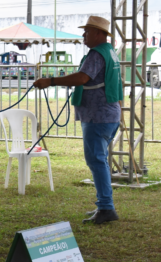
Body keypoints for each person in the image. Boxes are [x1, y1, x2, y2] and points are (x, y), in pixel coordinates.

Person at [33, 16, 122, 224]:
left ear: (99, 34)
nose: (84, 36)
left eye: (88, 32)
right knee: (99, 160)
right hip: (108, 114)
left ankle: (106, 208)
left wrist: (50, 81)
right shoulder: (110, 53)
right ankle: (105, 206)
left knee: (96, 161)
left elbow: (82, 78)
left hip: (97, 116)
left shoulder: (97, 54)